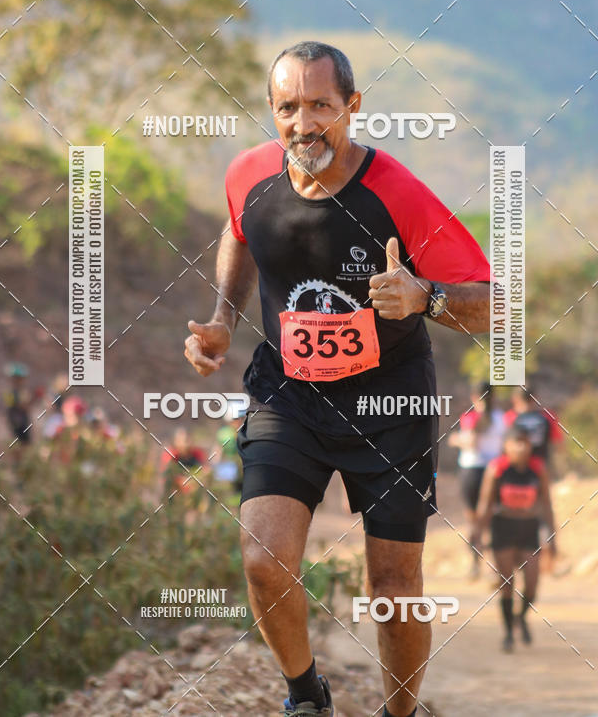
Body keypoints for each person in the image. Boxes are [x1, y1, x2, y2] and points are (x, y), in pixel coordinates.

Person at [184, 41, 491, 717]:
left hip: (390, 404)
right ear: (272, 110)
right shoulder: (250, 175)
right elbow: (240, 232)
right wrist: (221, 320)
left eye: (321, 105)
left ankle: (399, 713)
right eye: (289, 107)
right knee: (265, 560)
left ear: (352, 107)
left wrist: (428, 298)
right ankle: (305, 695)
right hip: (288, 395)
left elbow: (495, 302)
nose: (304, 123)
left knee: (393, 588)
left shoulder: (398, 194)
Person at [473, 426, 556, 652]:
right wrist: (477, 535)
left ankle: (521, 616)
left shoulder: (538, 469)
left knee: (532, 584)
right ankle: (509, 633)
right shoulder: (497, 469)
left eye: (525, 442)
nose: (521, 446)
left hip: (529, 528)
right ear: (506, 446)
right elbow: (485, 504)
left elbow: (547, 503)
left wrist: (552, 536)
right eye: (516, 442)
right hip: (503, 528)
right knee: (506, 584)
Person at [448, 381, 505, 577]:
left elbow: (471, 442)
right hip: (494, 472)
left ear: (474, 397)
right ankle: (496, 566)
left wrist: (455, 440)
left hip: (472, 472)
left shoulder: (471, 417)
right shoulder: (502, 419)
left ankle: (475, 564)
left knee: (473, 521)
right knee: (491, 519)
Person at [503, 387, 564, 469]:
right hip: (541, 464)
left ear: (515, 398)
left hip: (517, 466)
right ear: (535, 398)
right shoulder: (548, 416)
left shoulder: (509, 417)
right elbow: (559, 444)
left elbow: (504, 444)